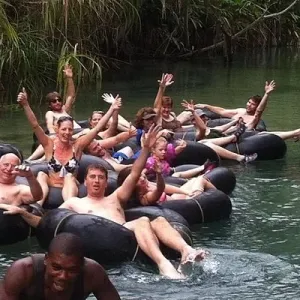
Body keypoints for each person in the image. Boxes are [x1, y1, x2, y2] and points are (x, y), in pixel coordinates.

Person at [0, 125, 206, 279]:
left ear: (107, 182)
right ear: (86, 181)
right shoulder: (74, 203)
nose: (97, 181)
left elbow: (134, 173)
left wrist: (145, 149)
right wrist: (22, 212)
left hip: (129, 237)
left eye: (101, 178)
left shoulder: (115, 198)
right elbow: (47, 223)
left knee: (159, 221)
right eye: (92, 178)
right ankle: (163, 264)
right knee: (143, 220)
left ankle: (186, 251)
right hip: (106, 243)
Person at [17, 88, 121, 204]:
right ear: (57, 129)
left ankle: (69, 206)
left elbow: (96, 129)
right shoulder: (49, 144)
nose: (67, 132)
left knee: (69, 177)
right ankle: (38, 205)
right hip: (52, 183)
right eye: (64, 129)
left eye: (70, 129)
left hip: (71, 184)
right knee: (41, 174)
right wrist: (25, 104)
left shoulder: (78, 145)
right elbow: (35, 125)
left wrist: (112, 109)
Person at [0, 232, 120, 299]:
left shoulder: (93, 274)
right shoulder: (22, 271)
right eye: (57, 268)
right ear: (46, 260)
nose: (63, 276)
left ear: (82, 265)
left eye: (72, 270)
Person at [194, 80, 276, 130]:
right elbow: (222, 111)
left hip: (227, 132)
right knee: (190, 113)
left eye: (253, 104)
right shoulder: (240, 111)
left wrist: (266, 94)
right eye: (249, 102)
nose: (249, 105)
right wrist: (206, 106)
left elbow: (259, 111)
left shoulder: (254, 119)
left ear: (257, 106)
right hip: (214, 127)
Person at [45, 64, 81, 134]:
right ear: (49, 105)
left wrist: (69, 78)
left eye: (59, 100)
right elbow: (50, 126)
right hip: (70, 134)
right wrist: (53, 136)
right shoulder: (50, 113)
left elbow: (71, 95)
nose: (57, 102)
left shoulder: (65, 110)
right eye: (54, 101)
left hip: (78, 131)